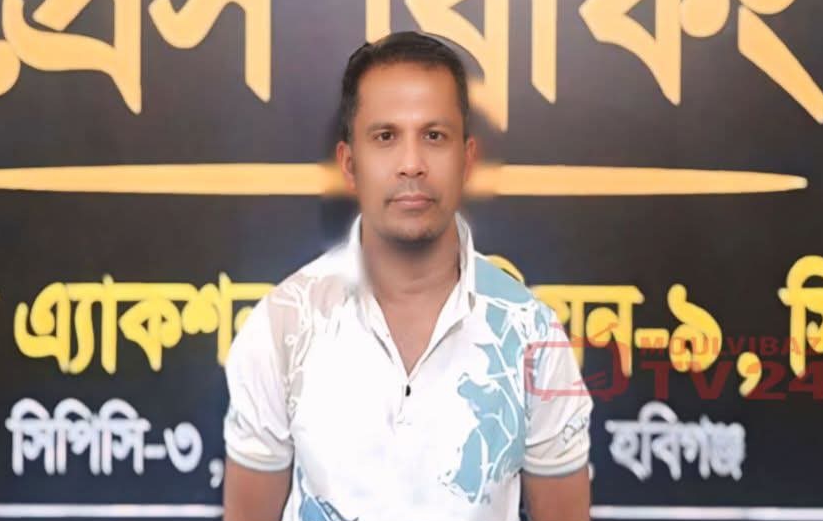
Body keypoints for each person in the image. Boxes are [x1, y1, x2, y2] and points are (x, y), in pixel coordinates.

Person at [222, 31, 594, 521]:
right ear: (349, 164)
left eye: (434, 136)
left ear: (467, 159)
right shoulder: (282, 325)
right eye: (386, 137)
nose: (412, 165)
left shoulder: (532, 334)